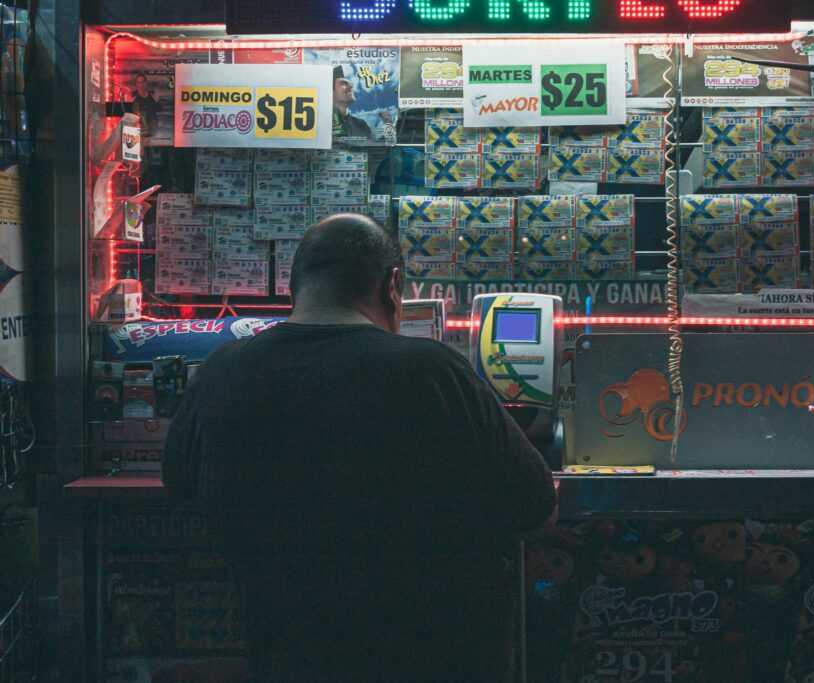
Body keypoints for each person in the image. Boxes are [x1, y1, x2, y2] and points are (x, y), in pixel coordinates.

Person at [162, 214, 556, 683]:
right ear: (393, 286)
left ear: (294, 286)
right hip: (437, 655)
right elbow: (536, 507)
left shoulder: (222, 372)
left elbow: (180, 485)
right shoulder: (433, 373)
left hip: (288, 655)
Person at [332, 64, 375, 142]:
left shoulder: (362, 125)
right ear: (331, 91)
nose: (351, 85)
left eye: (350, 83)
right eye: (343, 83)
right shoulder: (323, 124)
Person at [130, 73, 160, 138]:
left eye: (142, 82)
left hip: (152, 130)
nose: (141, 85)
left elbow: (158, 110)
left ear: (146, 83)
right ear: (136, 84)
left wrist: (157, 101)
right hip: (138, 130)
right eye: (139, 82)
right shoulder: (132, 97)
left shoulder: (152, 95)